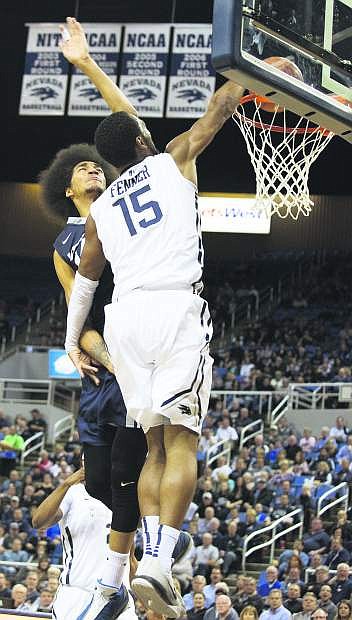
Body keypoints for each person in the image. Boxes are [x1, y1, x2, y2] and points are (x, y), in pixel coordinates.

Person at [63, 14, 244, 620]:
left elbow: (85, 284)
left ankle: (148, 564)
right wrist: (261, 75)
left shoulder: (101, 212)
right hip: (173, 309)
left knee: (154, 449)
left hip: (124, 320)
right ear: (140, 140)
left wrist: (72, 341)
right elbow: (219, 109)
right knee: (184, 440)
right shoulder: (171, 158)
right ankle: (162, 565)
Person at [32, 466, 136, 620]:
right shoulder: (73, 492)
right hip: (78, 592)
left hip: (120, 596)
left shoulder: (126, 496)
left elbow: (131, 559)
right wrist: (66, 484)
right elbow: (39, 521)